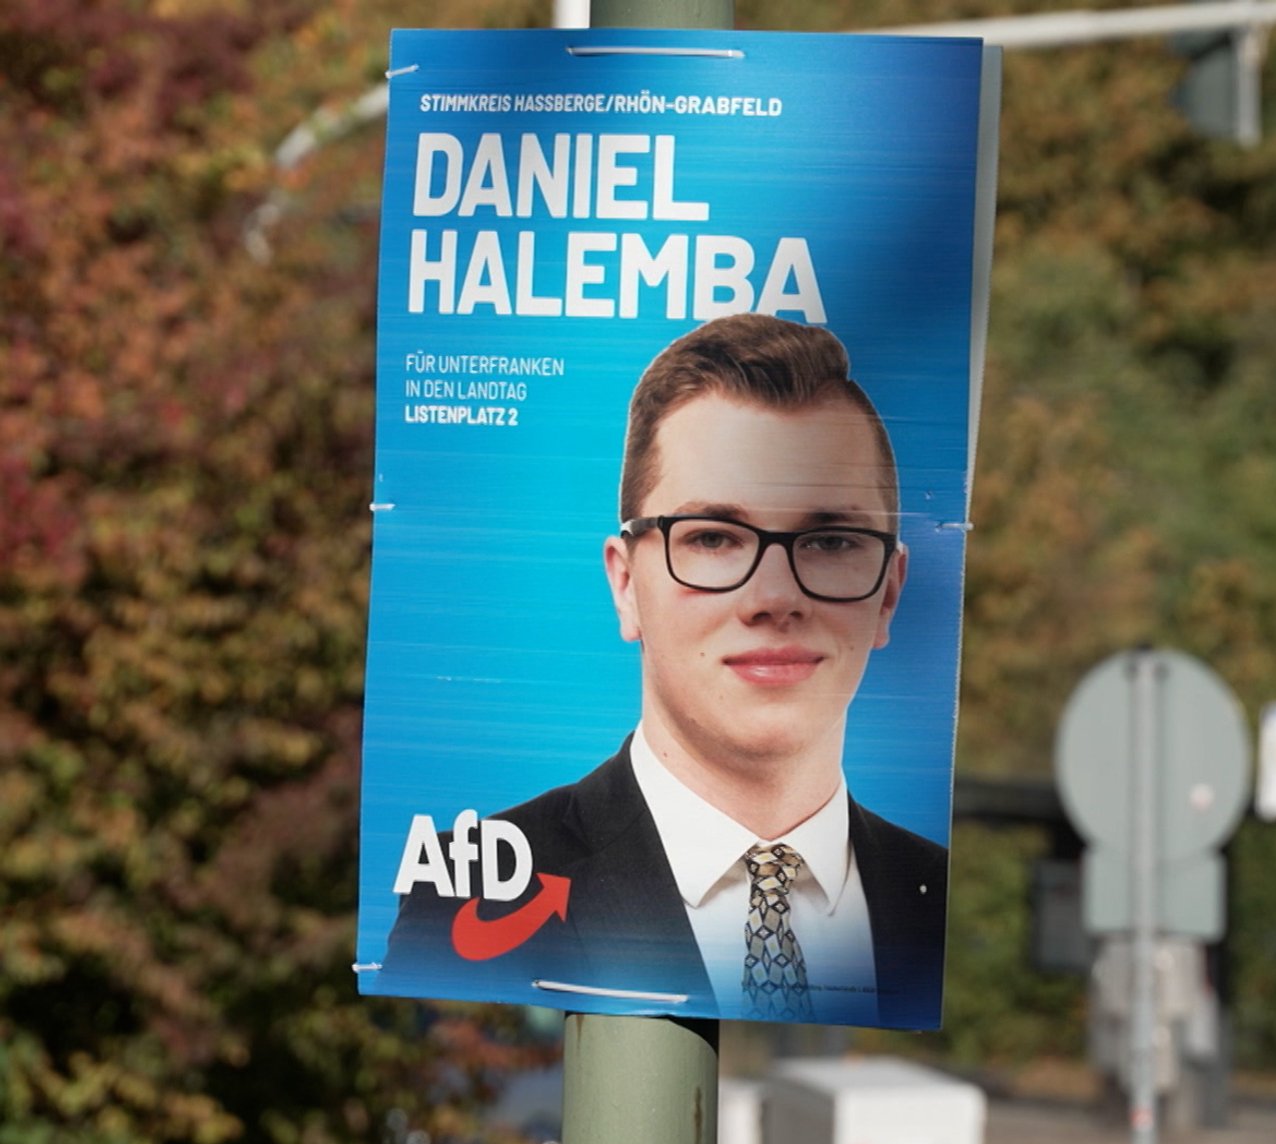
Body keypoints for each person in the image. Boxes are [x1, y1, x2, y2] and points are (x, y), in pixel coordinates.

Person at [383, 314, 948, 1029]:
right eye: (713, 537)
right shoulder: (471, 892)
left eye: (831, 540)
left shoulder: (941, 897)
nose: (775, 598)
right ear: (625, 585)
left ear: (889, 593)